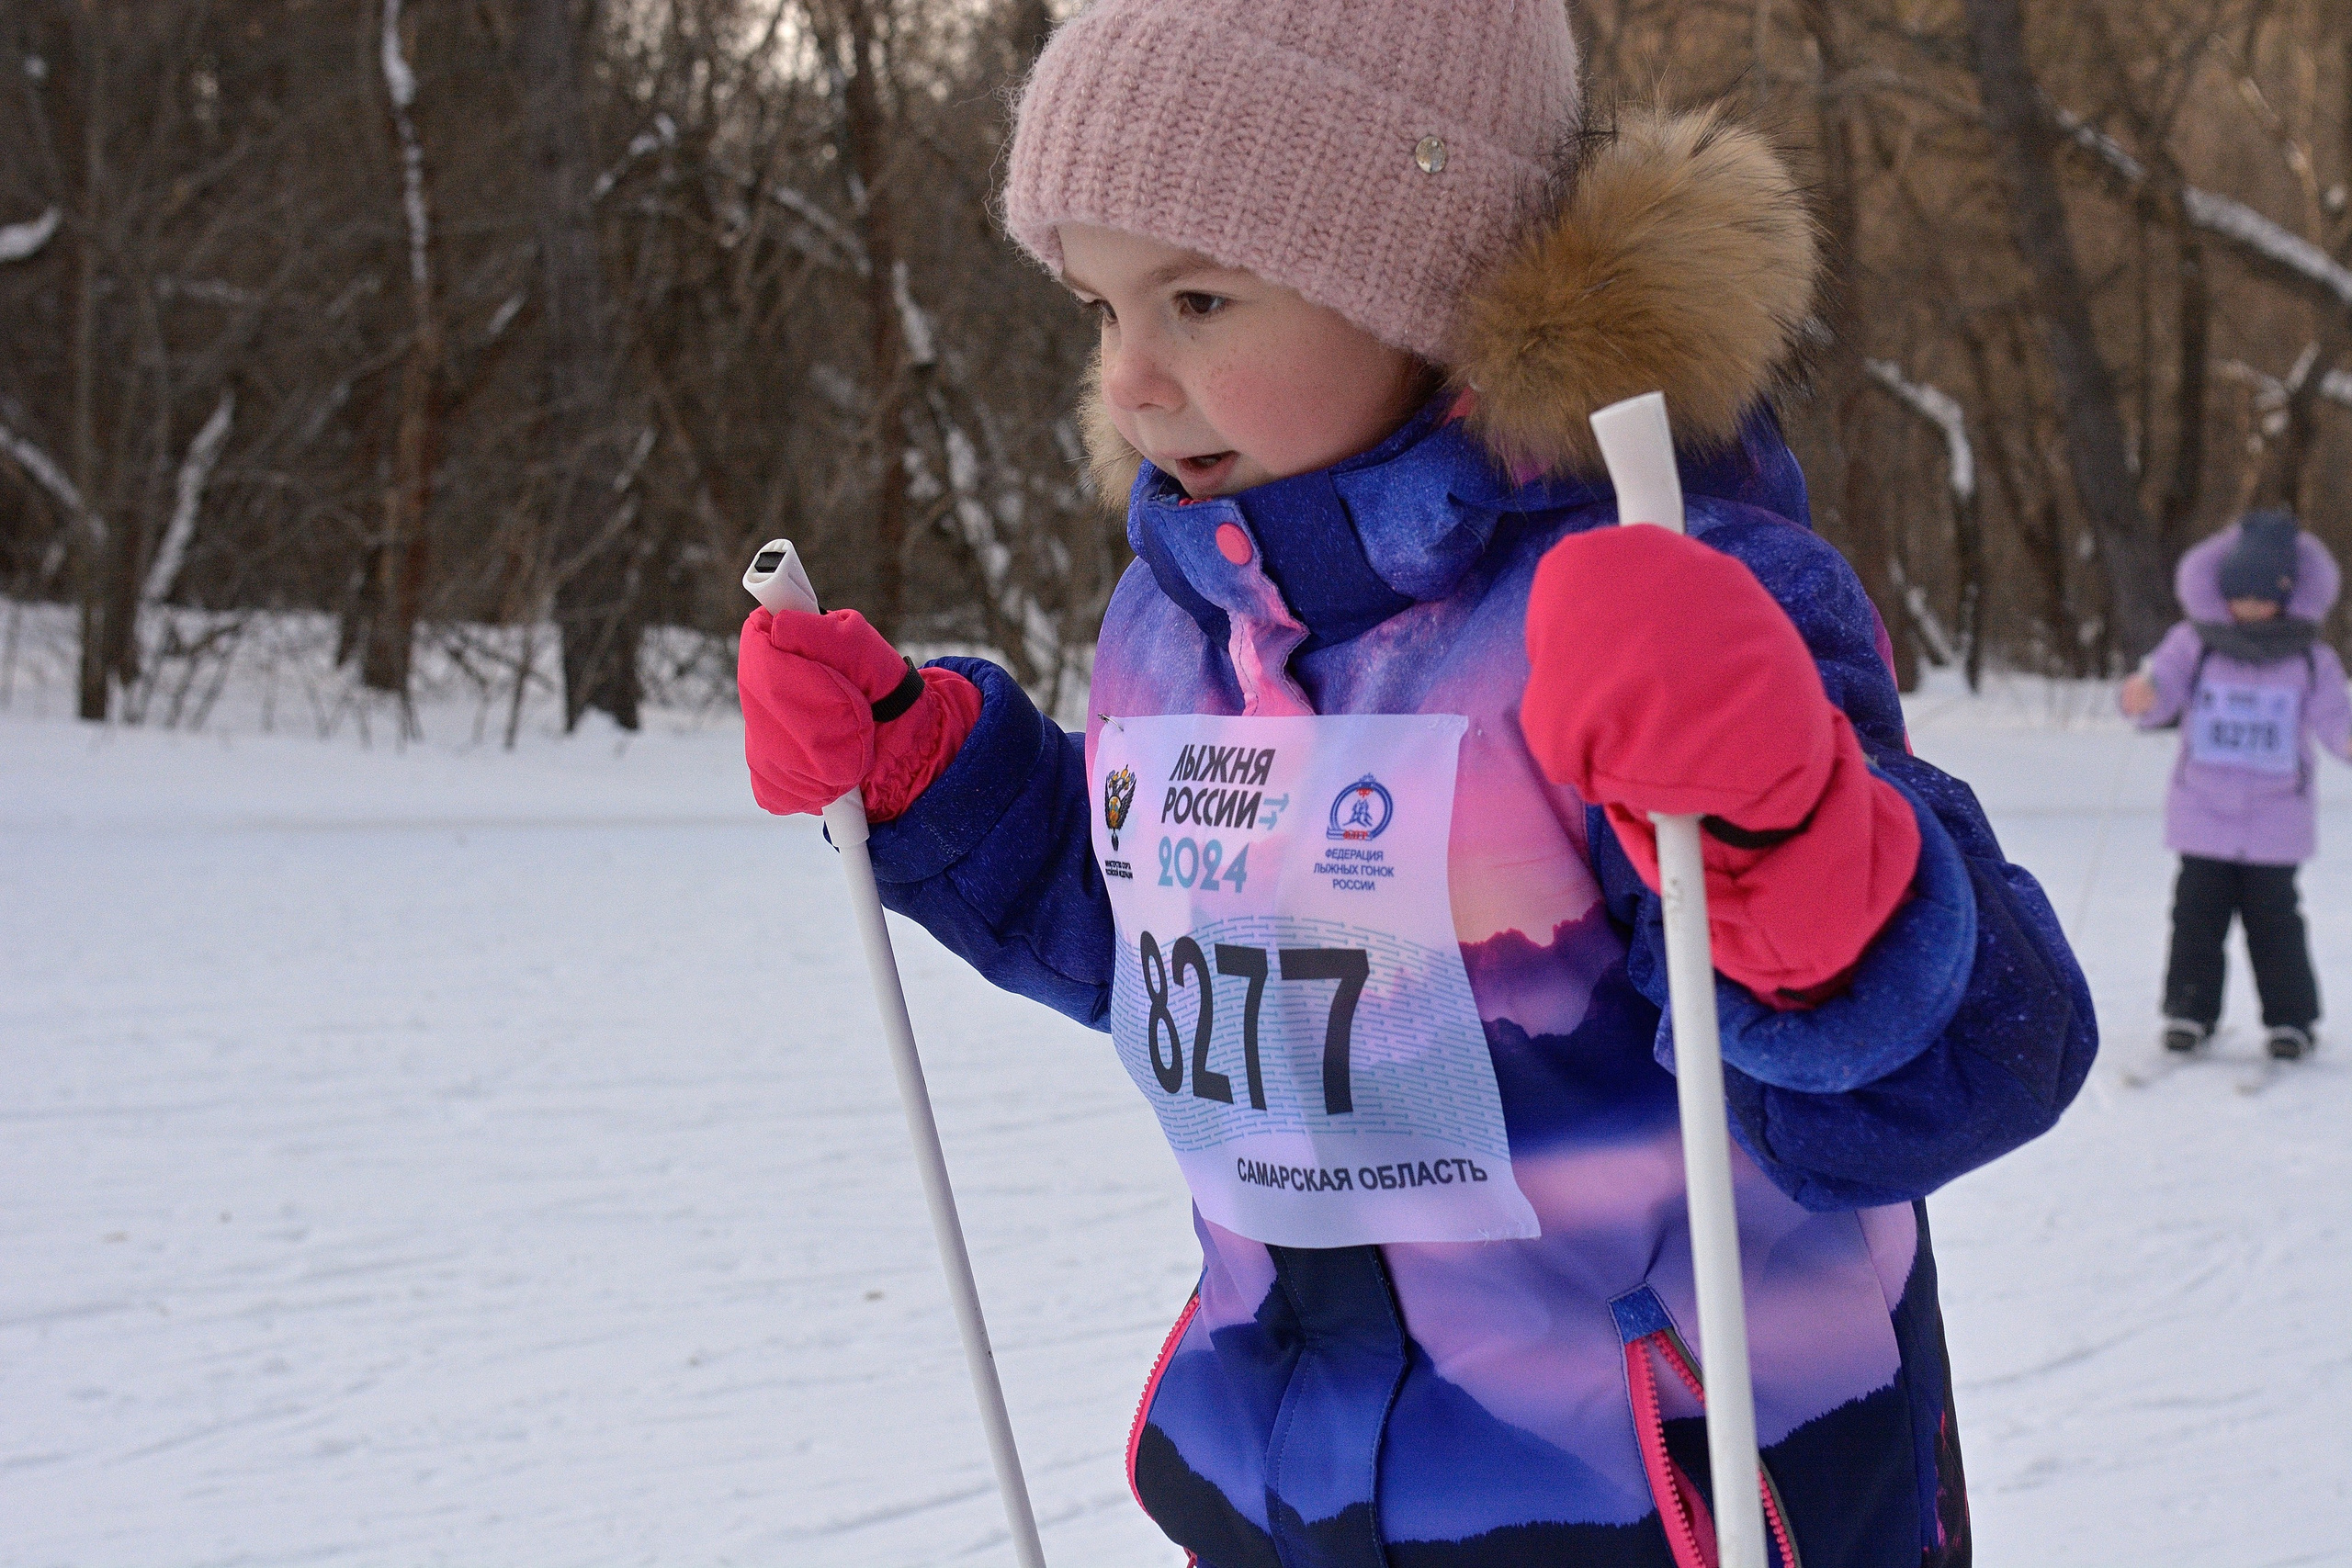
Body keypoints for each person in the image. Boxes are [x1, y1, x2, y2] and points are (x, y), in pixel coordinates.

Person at [736, 5, 2094, 1563]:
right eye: (1101, 308)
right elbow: (1174, 961)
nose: (1133, 382)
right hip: (1300, 1487)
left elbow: (1971, 1061)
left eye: (1198, 299)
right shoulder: (1173, 626)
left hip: (1668, 1500)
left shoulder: (1654, 599)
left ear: (1427, 287)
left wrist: (1782, 839)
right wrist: (938, 782)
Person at [2120, 511, 2349, 1061]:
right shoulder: (2194, 644)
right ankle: (2189, 1012)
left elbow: (2336, 719)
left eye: (2263, 596)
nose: (2249, 606)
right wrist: (2143, 697)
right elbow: (2162, 691)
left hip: (2277, 819)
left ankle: (2291, 1020)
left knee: (2276, 924)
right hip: (2202, 813)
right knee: (2196, 920)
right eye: (2239, 594)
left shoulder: (2310, 658)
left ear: (2287, 595)